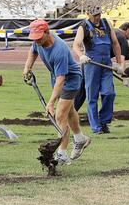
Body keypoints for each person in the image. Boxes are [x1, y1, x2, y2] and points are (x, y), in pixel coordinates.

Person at [22, 19, 91, 165]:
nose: (37, 41)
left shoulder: (59, 50)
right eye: (34, 38)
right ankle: (80, 139)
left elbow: (61, 80)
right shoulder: (38, 40)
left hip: (70, 79)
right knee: (69, 111)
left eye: (39, 37)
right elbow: (32, 52)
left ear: (47, 32)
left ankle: (62, 154)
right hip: (57, 77)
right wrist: (27, 67)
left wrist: (51, 103)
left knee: (60, 116)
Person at [72, 10, 124, 134]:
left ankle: (104, 121)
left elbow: (115, 44)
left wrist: (118, 63)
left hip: (106, 64)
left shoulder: (106, 24)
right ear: (88, 14)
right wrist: (81, 56)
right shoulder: (83, 27)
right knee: (92, 96)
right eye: (95, 15)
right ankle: (96, 127)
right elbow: (76, 45)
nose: (97, 17)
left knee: (109, 93)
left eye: (99, 14)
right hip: (91, 64)